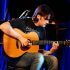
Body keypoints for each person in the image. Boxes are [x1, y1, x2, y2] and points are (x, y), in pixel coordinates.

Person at [0, 4, 59, 70]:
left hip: (32, 57)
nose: (48, 22)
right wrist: (20, 38)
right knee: (38, 57)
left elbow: (37, 51)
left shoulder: (42, 31)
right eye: (47, 19)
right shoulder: (23, 21)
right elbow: (3, 26)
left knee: (53, 59)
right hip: (16, 58)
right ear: (39, 16)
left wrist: (50, 52)